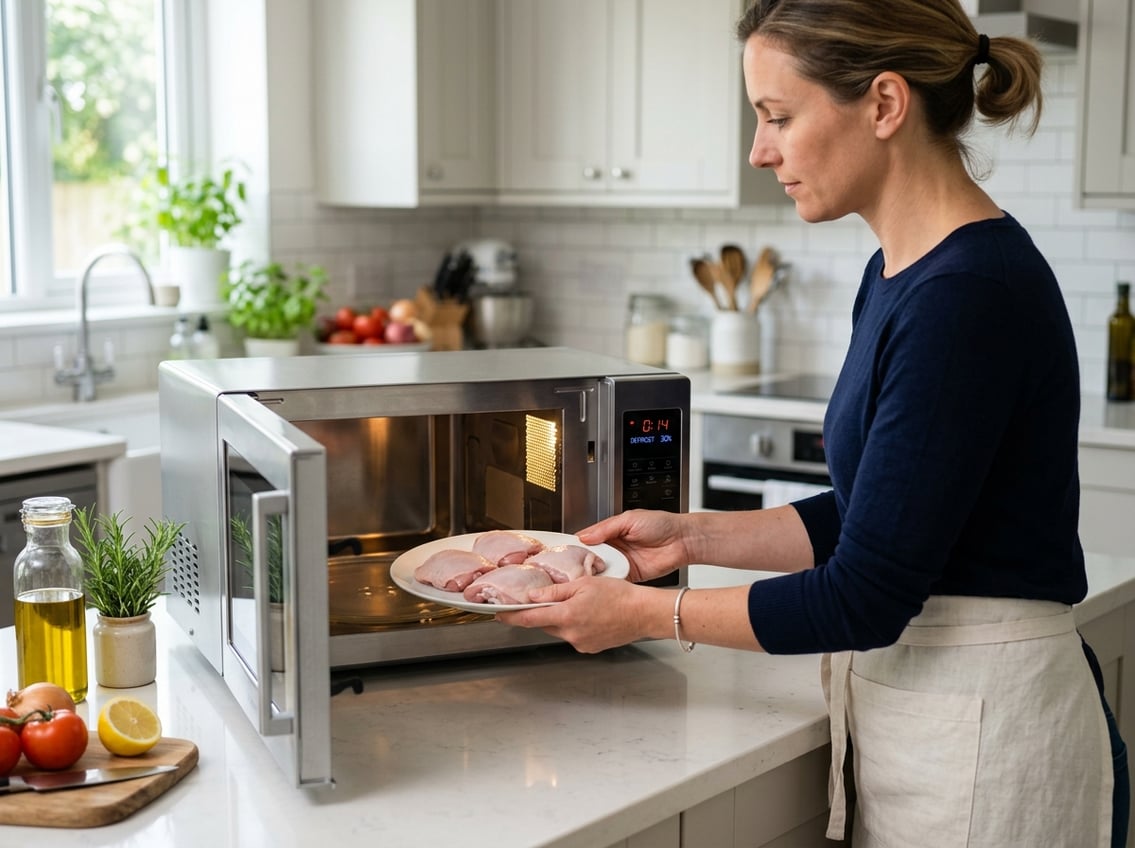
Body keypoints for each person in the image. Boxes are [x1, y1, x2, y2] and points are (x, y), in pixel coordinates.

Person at [497, 1, 1130, 844]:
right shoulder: (901, 272)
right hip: (937, 715)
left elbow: (864, 596)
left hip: (992, 738)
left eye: (776, 116)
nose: (760, 151)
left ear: (883, 105)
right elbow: (879, 514)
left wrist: (643, 614)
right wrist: (691, 538)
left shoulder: (965, 297)